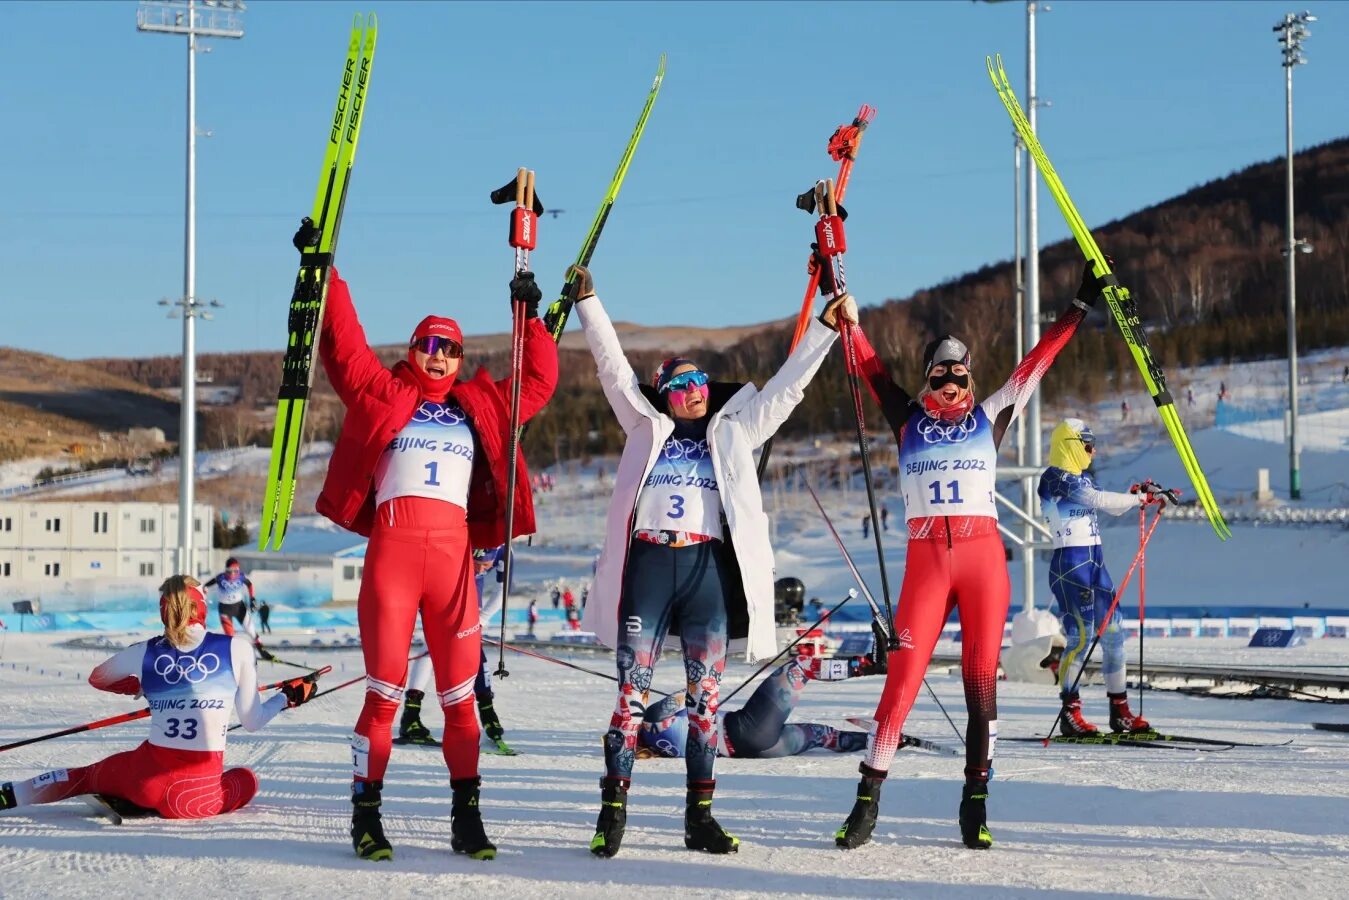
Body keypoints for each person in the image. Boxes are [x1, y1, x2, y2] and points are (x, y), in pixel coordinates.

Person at [573, 263, 853, 858]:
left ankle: (699, 817)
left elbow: (787, 389)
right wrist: (590, 305)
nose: (691, 391)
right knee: (630, 696)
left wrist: (826, 329)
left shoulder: (735, 431)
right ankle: (612, 812)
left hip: (706, 577)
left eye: (698, 380)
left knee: (705, 704)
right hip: (649, 568)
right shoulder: (641, 426)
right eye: (677, 385)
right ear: (663, 395)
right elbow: (612, 369)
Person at [306, 216, 558, 863]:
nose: (439, 355)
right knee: (385, 693)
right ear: (412, 349)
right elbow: (342, 346)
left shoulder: (480, 405)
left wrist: (527, 316)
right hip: (392, 559)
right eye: (428, 344)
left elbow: (537, 382)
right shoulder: (383, 391)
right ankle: (366, 816)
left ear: (460, 356)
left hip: (453, 566)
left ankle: (466, 819)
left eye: (449, 347)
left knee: (460, 699)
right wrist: (324, 272)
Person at [832, 261, 1102, 852]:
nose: (953, 387)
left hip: (982, 559)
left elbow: (1040, 361)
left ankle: (975, 804)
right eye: (941, 378)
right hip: (927, 560)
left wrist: (1079, 306)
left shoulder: (991, 413)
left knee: (983, 688)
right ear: (927, 380)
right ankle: (867, 801)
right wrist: (847, 316)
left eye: (961, 376)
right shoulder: (906, 419)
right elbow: (870, 367)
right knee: (900, 684)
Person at [0, 576, 317, 820]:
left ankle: (12, 794)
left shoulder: (146, 650)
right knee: (247, 779)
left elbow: (98, 677)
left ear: (164, 610)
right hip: (194, 797)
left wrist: (137, 687)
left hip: (144, 779)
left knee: (85, 776)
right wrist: (286, 697)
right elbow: (252, 721)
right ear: (201, 607)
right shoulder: (237, 649)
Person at [1038, 419, 1178, 736]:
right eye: (1087, 445)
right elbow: (1098, 501)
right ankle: (1070, 713)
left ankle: (1121, 712)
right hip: (1071, 566)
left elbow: (1111, 507)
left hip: (1095, 565)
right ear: (1070, 445)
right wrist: (1139, 499)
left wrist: (1139, 493)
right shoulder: (1054, 478)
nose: (1093, 451)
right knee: (1083, 638)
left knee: (1114, 636)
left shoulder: (1082, 479)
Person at [637, 654, 884, 761]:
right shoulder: (651, 719)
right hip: (743, 729)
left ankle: (880, 743)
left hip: (754, 749)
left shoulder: (658, 748)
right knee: (800, 667)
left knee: (821, 735)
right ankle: (867, 665)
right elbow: (692, 693)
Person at [203, 557, 259, 643]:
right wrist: (204, 594)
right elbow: (206, 585)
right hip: (225, 609)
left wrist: (252, 598)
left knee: (251, 631)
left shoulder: (241, 576)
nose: (232, 574)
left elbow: (250, 585)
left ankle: (262, 649)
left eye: (235, 571)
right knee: (230, 636)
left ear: (238, 570)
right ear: (225, 570)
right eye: (229, 571)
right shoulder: (220, 578)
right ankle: (233, 653)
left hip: (239, 607)